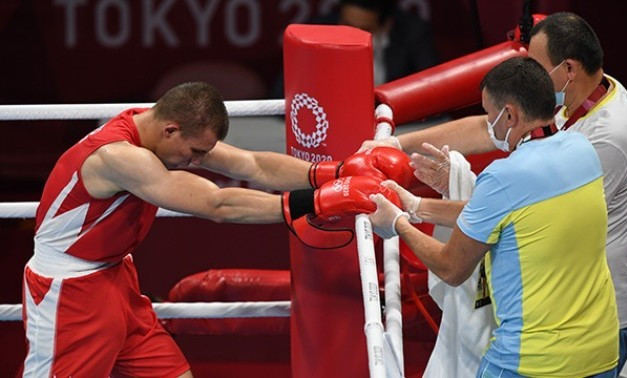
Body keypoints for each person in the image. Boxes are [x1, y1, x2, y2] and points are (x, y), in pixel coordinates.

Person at [21, 82, 405, 377]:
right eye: (195, 153)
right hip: (69, 294)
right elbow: (215, 203)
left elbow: (252, 165)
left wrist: (332, 173)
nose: (197, 162)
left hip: (117, 279)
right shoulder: (118, 157)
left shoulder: (158, 128)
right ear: (171, 130)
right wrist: (317, 202)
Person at [362, 12, 627, 375]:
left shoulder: (602, 141)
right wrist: (410, 184)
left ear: (567, 69)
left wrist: (398, 222)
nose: (532, 76)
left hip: (549, 345)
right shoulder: (578, 135)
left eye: (536, 65)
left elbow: (454, 265)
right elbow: (509, 192)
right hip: (594, 346)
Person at [270, 0, 438, 98]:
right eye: (347, 25)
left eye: (364, 29)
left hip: (397, 127)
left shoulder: (413, 33)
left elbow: (432, 95)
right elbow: (282, 94)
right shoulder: (315, 31)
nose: (352, 35)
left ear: (386, 26)